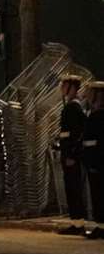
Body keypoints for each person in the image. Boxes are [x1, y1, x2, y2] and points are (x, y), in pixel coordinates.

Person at [56, 73, 88, 235]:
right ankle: (76, 222)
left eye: (64, 86)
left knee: (73, 189)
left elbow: (75, 134)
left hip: (71, 156)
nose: (61, 89)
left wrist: (71, 155)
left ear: (72, 88)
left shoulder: (72, 108)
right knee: (71, 189)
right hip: (68, 153)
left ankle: (78, 224)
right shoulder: (73, 107)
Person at [83, 81, 104, 241]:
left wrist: (93, 162)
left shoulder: (98, 115)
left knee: (98, 195)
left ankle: (101, 226)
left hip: (97, 161)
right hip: (96, 160)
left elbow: (94, 142)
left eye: (91, 93)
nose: (87, 96)